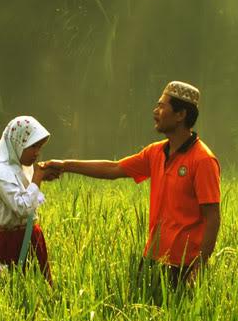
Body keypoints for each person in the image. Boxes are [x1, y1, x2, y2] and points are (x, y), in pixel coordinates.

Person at [44, 81, 220, 288]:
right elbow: (114, 169)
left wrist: (199, 269)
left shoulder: (203, 160)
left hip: (184, 266)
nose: (156, 111)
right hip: (152, 260)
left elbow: (213, 218)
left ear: (180, 114)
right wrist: (65, 165)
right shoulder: (155, 152)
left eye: (162, 106)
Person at [0, 116, 61, 283]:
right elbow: (22, 207)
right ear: (17, 143)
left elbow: (28, 195)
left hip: (31, 237)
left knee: (39, 292)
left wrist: (41, 177)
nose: (37, 152)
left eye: (39, 147)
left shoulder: (18, 168)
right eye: (32, 146)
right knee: (10, 290)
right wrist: (37, 178)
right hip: (10, 242)